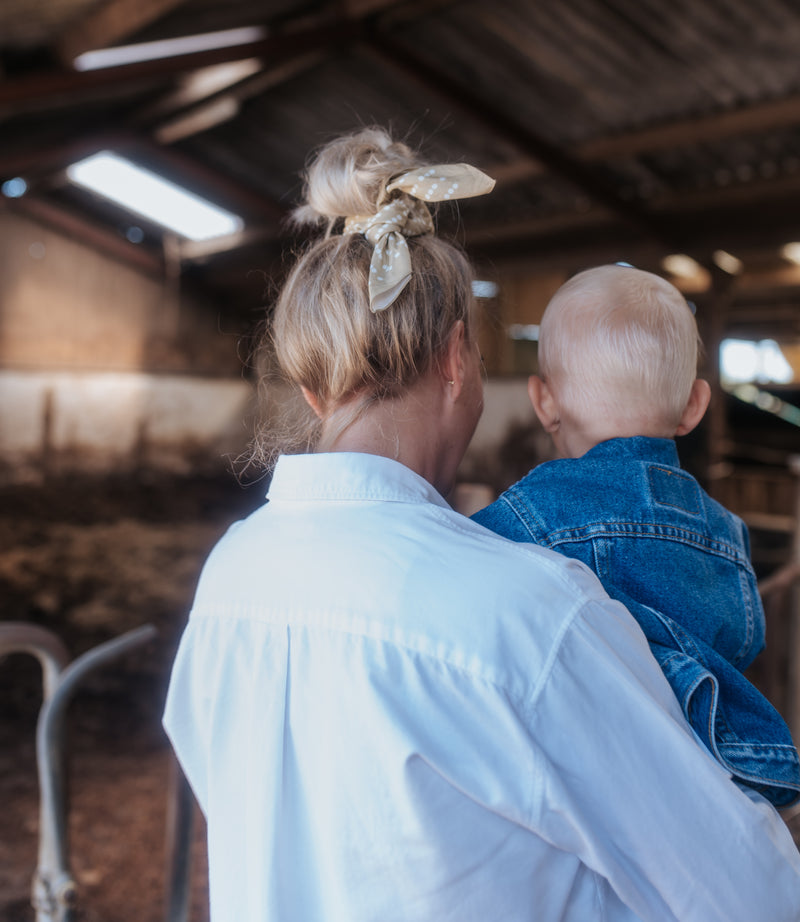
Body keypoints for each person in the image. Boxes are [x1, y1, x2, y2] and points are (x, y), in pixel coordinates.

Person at [163, 131, 800, 922]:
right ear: (458, 359)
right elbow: (750, 892)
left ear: (311, 384)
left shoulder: (230, 576)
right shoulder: (527, 605)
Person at [475, 263, 800, 808]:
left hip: (584, 781)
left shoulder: (530, 513)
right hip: (717, 778)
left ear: (544, 401)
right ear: (695, 406)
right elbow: (745, 642)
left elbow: (468, 589)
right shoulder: (727, 531)